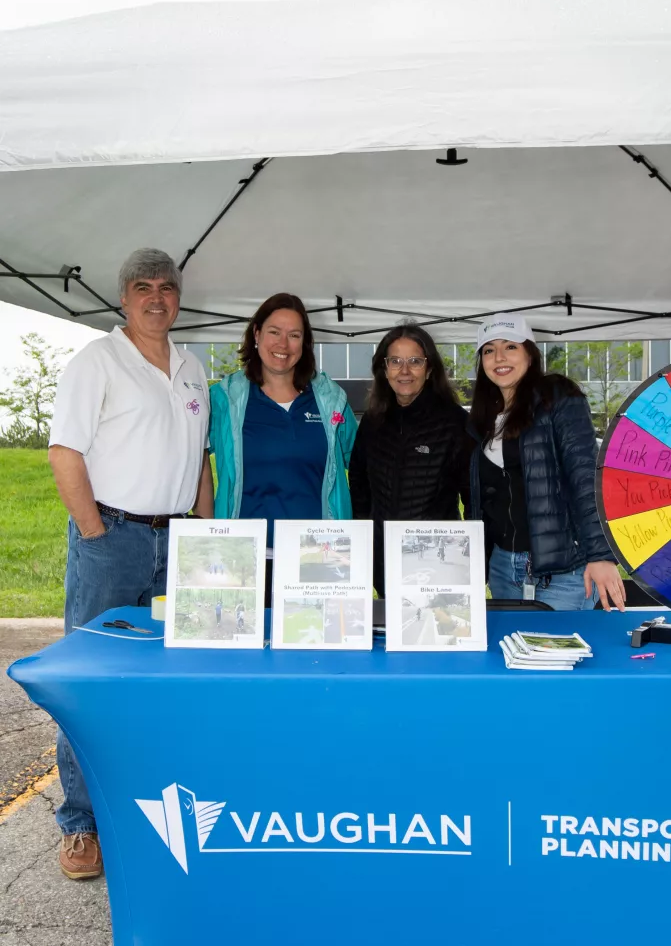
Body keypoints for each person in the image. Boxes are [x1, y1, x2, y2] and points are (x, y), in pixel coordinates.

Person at [48, 248, 213, 880]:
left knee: (166, 674)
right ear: (124, 298)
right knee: (91, 676)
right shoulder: (98, 361)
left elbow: (199, 460)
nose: (156, 297)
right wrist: (94, 531)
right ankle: (81, 823)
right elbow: (65, 453)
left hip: (177, 544)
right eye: (142, 287)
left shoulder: (192, 367)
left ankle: (147, 808)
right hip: (112, 535)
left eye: (166, 288)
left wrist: (200, 530)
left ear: (178, 297)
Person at [466, 314, 625, 612]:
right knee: (508, 653)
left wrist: (601, 555)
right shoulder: (483, 419)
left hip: (562, 570)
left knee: (556, 654)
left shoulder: (558, 397)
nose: (499, 357)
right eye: (488, 350)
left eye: (510, 347)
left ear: (530, 353)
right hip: (502, 566)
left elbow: (585, 478)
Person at [209, 294, 357, 557]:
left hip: (317, 556)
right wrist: (205, 524)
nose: (283, 344)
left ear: (305, 343)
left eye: (294, 335)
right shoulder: (224, 398)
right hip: (246, 556)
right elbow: (194, 462)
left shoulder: (331, 400)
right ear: (256, 334)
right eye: (274, 332)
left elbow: (361, 466)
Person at [349, 323, 469, 596]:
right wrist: (366, 533)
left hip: (436, 564)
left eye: (415, 361)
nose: (404, 371)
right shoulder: (373, 420)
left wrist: (471, 555)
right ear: (384, 369)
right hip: (382, 561)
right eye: (395, 361)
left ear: (429, 370)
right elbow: (358, 480)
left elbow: (473, 495)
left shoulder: (454, 422)